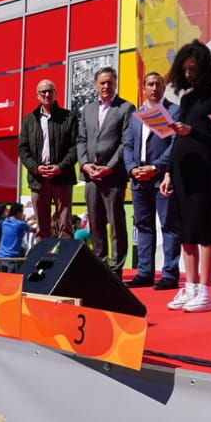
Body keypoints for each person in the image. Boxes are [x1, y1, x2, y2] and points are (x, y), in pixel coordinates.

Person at [160, 40, 211, 313]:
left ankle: (206, 291)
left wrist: (191, 131)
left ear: (204, 68)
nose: (188, 75)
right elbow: (176, 140)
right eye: (184, 70)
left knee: (204, 230)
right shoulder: (185, 99)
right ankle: (190, 287)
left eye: (192, 69)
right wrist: (167, 173)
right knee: (185, 232)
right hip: (180, 170)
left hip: (202, 168)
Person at [123, 69, 181, 290]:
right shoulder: (137, 115)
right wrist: (131, 169)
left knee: (168, 225)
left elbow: (175, 143)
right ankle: (145, 272)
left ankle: (169, 274)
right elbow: (128, 145)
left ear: (163, 88)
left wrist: (156, 167)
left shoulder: (173, 112)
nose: (154, 88)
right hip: (138, 179)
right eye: (150, 84)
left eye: (158, 84)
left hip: (161, 178)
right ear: (143, 88)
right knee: (143, 226)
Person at [76, 65, 135, 272]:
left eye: (110, 82)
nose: (106, 86)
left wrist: (109, 167)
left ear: (115, 84)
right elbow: (81, 140)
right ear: (95, 85)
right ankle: (101, 267)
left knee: (116, 225)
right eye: (102, 83)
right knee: (96, 224)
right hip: (91, 177)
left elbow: (126, 143)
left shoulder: (126, 108)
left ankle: (115, 269)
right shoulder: (88, 110)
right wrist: (84, 164)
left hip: (113, 177)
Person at [16, 77, 77, 239]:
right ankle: (44, 259)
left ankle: (65, 259)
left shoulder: (68, 117)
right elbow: (23, 150)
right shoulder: (29, 120)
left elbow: (75, 148)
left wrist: (60, 167)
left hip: (62, 177)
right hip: (38, 178)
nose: (47, 94)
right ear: (37, 95)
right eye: (43, 92)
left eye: (50, 91)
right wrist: (36, 168)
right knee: (42, 226)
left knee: (64, 223)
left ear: (55, 93)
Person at [0, 203, 29, 272]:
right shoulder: (20, 224)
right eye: (22, 212)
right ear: (18, 213)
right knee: (12, 281)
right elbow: (32, 229)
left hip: (1, 258)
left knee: (0, 281)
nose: (23, 214)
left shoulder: (5, 222)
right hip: (12, 259)